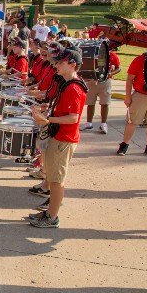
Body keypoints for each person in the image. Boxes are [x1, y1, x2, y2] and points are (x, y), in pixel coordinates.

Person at [28, 48, 88, 228]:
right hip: (60, 136)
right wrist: (49, 107)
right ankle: (49, 213)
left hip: (64, 139)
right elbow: (64, 108)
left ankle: (52, 217)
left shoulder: (74, 88)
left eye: (61, 63)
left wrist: (48, 119)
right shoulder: (67, 83)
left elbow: (73, 118)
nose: (56, 65)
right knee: (53, 178)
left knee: (56, 180)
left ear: (73, 65)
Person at [117, 48, 147, 156]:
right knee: (132, 121)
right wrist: (128, 97)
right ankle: (124, 144)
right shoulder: (140, 60)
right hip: (141, 94)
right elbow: (130, 79)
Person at [82, 45, 119, 134]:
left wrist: (110, 73)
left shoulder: (112, 55)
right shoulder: (93, 54)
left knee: (105, 103)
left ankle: (103, 123)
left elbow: (118, 67)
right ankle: (89, 123)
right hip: (92, 81)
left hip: (105, 81)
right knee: (90, 103)